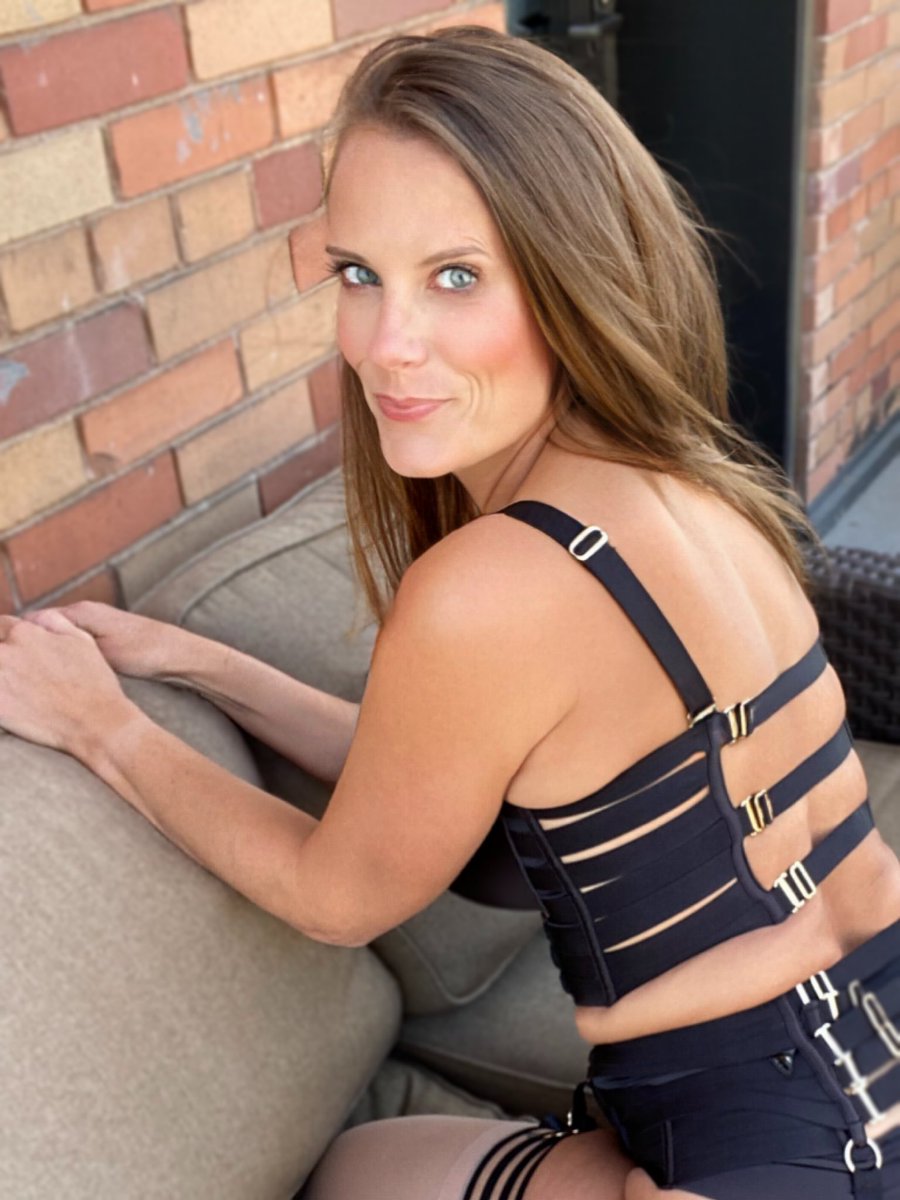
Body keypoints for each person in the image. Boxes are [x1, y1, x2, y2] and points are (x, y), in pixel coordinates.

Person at [0, 25, 898, 1200]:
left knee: (359, 1172)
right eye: (358, 274)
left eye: (456, 277)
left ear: (571, 277)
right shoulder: (699, 489)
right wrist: (201, 664)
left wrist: (100, 727)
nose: (387, 346)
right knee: (374, 1163)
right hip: (868, 1051)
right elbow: (436, 784)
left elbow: (338, 895)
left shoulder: (492, 586)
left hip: (765, 1154)